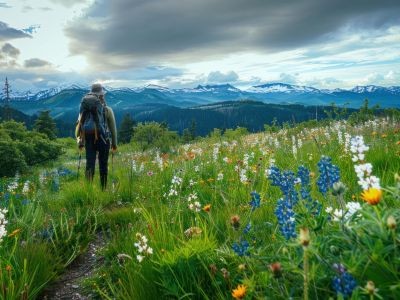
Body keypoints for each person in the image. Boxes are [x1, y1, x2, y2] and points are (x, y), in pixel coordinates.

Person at [75, 83, 117, 190]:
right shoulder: (107, 110)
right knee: (103, 165)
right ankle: (103, 189)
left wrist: (80, 141)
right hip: (104, 139)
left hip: (88, 138)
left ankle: (88, 190)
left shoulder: (84, 109)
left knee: (90, 164)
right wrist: (114, 144)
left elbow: (79, 125)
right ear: (102, 95)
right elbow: (113, 130)